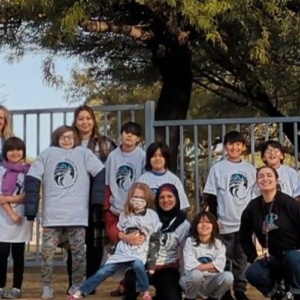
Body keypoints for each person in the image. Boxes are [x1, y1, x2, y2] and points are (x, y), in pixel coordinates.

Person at [24, 125, 105, 300]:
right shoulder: (47, 154)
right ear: (56, 138)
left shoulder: (84, 154)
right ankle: (47, 286)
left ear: (75, 138)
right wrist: (31, 209)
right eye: (62, 137)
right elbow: (32, 178)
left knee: (79, 256)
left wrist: (96, 201)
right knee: (47, 254)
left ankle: (77, 285)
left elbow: (100, 172)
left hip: (77, 215)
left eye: (69, 136)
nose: (66, 140)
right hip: (52, 216)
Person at [68, 182, 161, 300]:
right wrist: (112, 250)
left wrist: (152, 262)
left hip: (139, 251)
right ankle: (80, 292)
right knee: (104, 271)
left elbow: (155, 240)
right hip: (123, 250)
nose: (138, 200)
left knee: (138, 266)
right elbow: (119, 233)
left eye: (141, 198)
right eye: (135, 197)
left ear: (147, 198)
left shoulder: (152, 216)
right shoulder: (125, 214)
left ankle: (145, 291)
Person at [62, 105, 117, 293]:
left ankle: (90, 284)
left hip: (96, 198)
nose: (84, 122)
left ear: (94, 120)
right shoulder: (67, 142)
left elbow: (113, 170)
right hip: (72, 199)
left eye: (88, 118)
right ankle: (74, 281)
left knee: (94, 242)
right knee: (73, 242)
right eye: (80, 118)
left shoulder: (106, 143)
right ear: (75, 121)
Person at [203, 130, 256, 300]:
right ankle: (224, 291)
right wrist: (214, 219)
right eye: (231, 144)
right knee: (223, 258)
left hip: (244, 223)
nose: (234, 147)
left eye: (238, 144)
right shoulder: (217, 168)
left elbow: (254, 196)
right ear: (225, 147)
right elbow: (211, 195)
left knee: (242, 259)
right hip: (223, 222)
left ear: (243, 147)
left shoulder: (250, 169)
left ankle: (240, 289)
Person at [240, 166, 300, 300]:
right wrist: (253, 256)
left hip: (294, 255)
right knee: (253, 272)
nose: (265, 179)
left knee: (293, 259)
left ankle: (297, 293)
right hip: (274, 257)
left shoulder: (288, 203)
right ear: (256, 182)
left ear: (276, 180)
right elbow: (243, 236)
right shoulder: (253, 207)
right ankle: (278, 294)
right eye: (261, 176)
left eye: (269, 175)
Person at [123, 183, 190, 300]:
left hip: (168, 268)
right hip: (145, 265)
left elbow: (186, 253)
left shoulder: (183, 224)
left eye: (170, 196)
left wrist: (184, 278)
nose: (166, 200)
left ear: (177, 198)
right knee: (131, 278)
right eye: (161, 197)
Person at [104, 122, 145, 297]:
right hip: (115, 209)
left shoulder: (142, 156)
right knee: (117, 246)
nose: (129, 136)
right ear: (120, 135)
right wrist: (107, 205)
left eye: (133, 134)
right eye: (126, 133)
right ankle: (121, 283)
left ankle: (130, 284)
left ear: (138, 139)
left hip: (134, 210)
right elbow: (107, 182)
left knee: (133, 247)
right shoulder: (113, 156)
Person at [0, 137, 31, 299]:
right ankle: (0, 286)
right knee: (2, 254)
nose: (15, 153)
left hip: (22, 219)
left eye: (19, 149)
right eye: (11, 149)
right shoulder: (1, 170)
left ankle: (17, 287)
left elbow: (29, 195)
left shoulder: (29, 170)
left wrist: (9, 199)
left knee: (19, 255)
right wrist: (11, 214)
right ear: (5, 152)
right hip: (3, 219)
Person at [180, 211, 234, 300]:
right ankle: (190, 298)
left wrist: (199, 266)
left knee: (228, 276)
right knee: (196, 275)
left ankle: (215, 298)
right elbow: (190, 266)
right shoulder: (190, 241)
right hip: (191, 281)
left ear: (213, 226)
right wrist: (212, 266)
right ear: (195, 226)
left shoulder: (219, 243)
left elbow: (220, 266)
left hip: (211, 280)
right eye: (200, 222)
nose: (204, 225)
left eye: (208, 222)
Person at [137, 142, 190, 210]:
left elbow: (182, 206)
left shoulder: (174, 180)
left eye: (161, 156)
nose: (157, 159)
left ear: (166, 159)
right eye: (154, 156)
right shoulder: (142, 180)